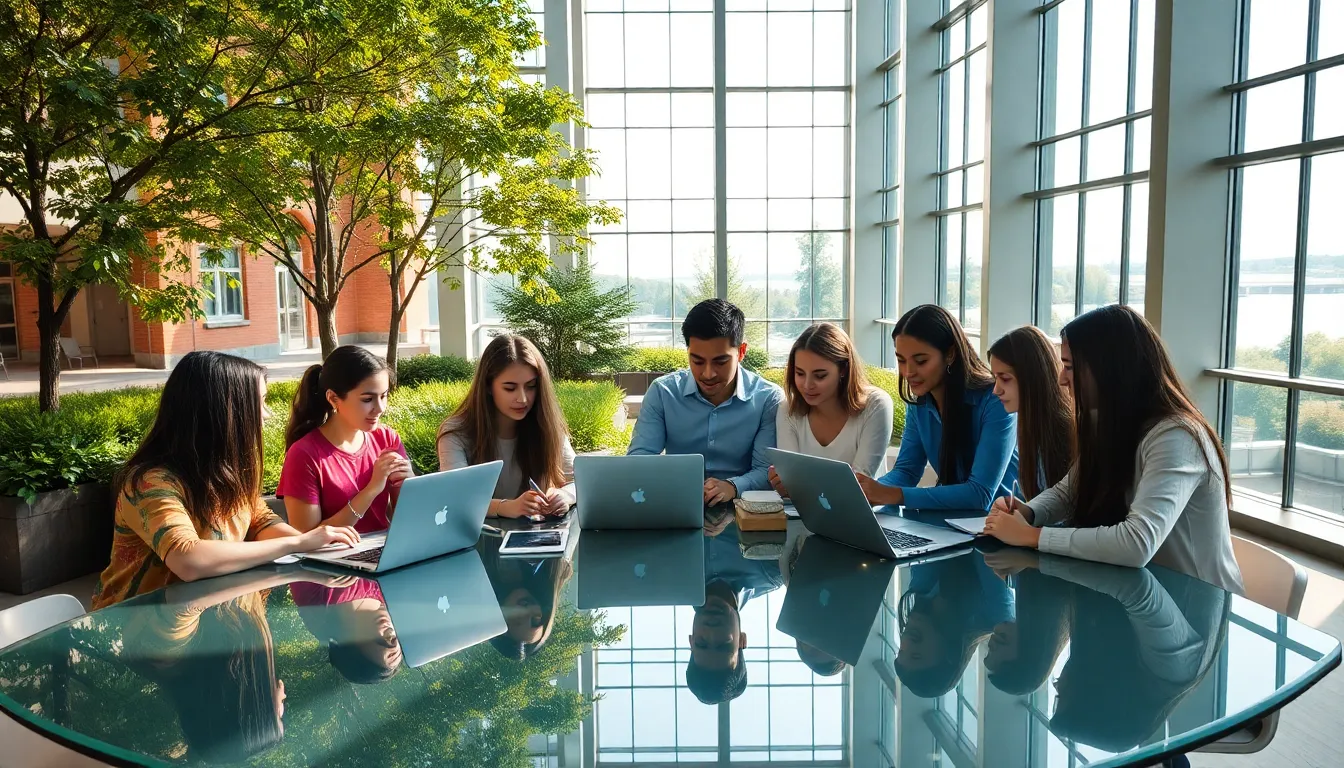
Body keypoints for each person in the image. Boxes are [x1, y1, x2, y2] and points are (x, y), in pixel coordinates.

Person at [983, 305, 1245, 594]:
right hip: (1143, 594)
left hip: (1196, 609)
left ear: (1109, 369)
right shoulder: (1111, 423)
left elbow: (1137, 543)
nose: (1061, 379)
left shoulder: (1176, 436)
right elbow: (1069, 490)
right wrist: (1029, 512)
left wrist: (1032, 536)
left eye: (1069, 366)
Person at [93, 351, 360, 609]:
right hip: (138, 633)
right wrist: (298, 543)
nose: (266, 414)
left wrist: (319, 548)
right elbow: (188, 559)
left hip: (212, 615)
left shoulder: (227, 471)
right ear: (225, 412)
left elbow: (259, 522)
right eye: (261, 402)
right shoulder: (150, 483)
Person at [857, 304, 1019, 511]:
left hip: (1002, 527)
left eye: (921, 361)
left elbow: (980, 494)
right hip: (949, 523)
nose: (908, 372)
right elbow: (907, 471)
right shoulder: (920, 403)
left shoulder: (994, 400)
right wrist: (865, 491)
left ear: (950, 354)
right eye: (901, 360)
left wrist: (892, 494)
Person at [628, 299, 783, 505]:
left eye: (720, 362)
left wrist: (733, 486)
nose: (708, 374)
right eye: (697, 361)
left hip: (742, 509)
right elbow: (640, 459)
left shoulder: (768, 398)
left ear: (742, 352)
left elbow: (766, 470)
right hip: (676, 505)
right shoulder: (663, 392)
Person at [437, 334, 577, 519]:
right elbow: (457, 498)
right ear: (488, 386)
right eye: (510, 388)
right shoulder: (455, 434)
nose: (523, 398)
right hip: (478, 541)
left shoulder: (546, 425)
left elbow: (581, 481)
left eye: (531, 386)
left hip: (537, 539)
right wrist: (506, 507)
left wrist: (565, 496)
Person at [278, 345, 413, 534]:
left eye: (384, 396)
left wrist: (411, 484)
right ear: (333, 398)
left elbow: (408, 518)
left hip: (386, 548)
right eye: (367, 399)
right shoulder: (304, 454)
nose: (380, 408)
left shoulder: (386, 438)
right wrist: (372, 489)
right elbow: (305, 538)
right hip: (332, 558)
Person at [768, 322, 894, 498]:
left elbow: (858, 485)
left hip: (870, 518)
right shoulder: (788, 409)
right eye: (800, 373)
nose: (807, 385)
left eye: (820, 376)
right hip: (808, 517)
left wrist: (799, 485)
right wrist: (785, 486)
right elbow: (793, 483)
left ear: (843, 369)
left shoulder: (876, 405)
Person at [686, 522, 784, 704]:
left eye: (701, 642)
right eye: (723, 644)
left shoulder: (668, 572)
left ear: (691, 640)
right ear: (742, 640)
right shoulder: (771, 570)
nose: (711, 630)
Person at [892, 555, 1014, 698]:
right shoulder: (996, 616)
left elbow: (924, 540)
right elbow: (989, 551)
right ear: (947, 656)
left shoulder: (921, 590)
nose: (907, 641)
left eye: (901, 651)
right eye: (917, 655)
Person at [987, 325, 1073, 499]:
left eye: (1005, 379)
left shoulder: (1065, 436)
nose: (996, 390)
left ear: (1033, 378)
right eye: (995, 379)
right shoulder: (1031, 430)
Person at [477, 534, 573, 660]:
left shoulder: (476, 571)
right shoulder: (551, 565)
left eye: (517, 620)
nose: (528, 612)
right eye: (535, 620)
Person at [292, 575, 404, 684]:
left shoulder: (318, 602)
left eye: (379, 641)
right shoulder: (395, 592)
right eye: (394, 638)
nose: (390, 631)